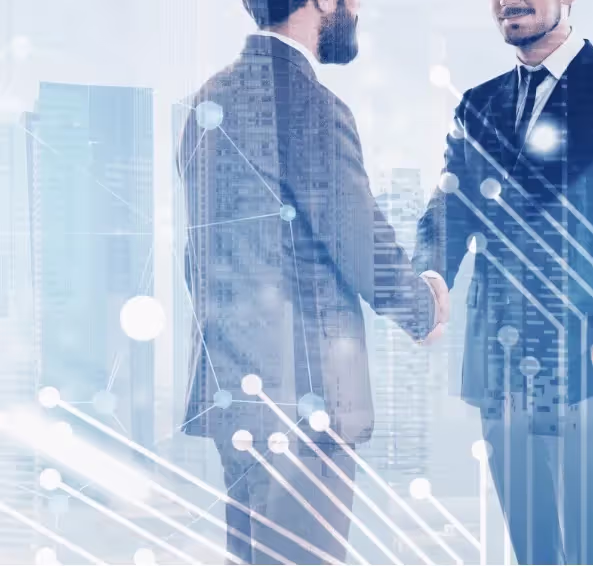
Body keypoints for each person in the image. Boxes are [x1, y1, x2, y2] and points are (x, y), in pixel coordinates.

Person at [413, 0, 593, 563]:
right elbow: (447, 215)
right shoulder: (478, 105)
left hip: (588, 365)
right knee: (535, 553)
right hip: (498, 372)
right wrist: (431, 277)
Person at [176, 0, 448, 563]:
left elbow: (195, 256)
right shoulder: (310, 105)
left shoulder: (205, 101)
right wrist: (423, 307)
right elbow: (359, 242)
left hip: (236, 398)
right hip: (305, 402)